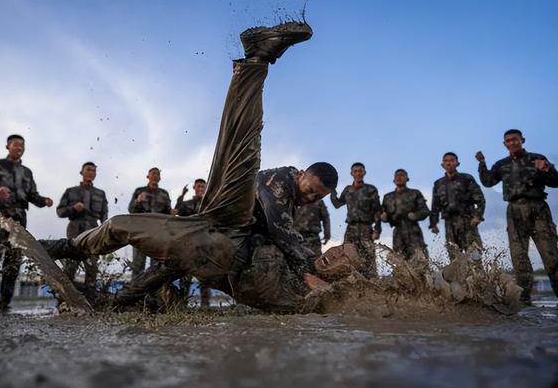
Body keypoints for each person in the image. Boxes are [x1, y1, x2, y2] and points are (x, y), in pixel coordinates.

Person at [39, 21, 339, 313]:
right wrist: (306, 271)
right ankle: (257, 59)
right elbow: (280, 226)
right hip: (228, 220)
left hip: (211, 240)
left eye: (317, 198)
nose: (311, 199)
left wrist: (120, 302)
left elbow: (171, 268)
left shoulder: (292, 209)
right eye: (311, 190)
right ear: (301, 174)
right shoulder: (280, 181)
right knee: (243, 150)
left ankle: (108, 295)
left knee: (121, 225)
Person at [0, 134, 53, 313]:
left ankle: (5, 303)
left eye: (22, 145)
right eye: (15, 144)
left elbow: (32, 196)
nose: (19, 147)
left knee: (13, 262)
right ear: (7, 146)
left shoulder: (27, 172)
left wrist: (44, 201)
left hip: (19, 220)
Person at [476, 129, 558, 304]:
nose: (512, 143)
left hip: (538, 209)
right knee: (519, 258)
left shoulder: (537, 158)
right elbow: (488, 181)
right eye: (508, 140)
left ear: (522, 140)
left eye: (515, 139)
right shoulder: (502, 164)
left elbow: (556, 182)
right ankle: (524, 302)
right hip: (514, 211)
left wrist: (547, 169)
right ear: (504, 144)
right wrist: (482, 163)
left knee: (551, 257)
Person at [56, 162, 108, 300]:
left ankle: (90, 299)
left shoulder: (100, 194)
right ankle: (64, 298)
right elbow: (60, 211)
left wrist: (105, 234)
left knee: (92, 264)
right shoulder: (71, 191)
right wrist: (73, 208)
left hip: (93, 228)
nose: (91, 172)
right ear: (82, 172)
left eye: (94, 171)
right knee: (71, 263)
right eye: (88, 170)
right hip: (75, 227)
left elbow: (105, 217)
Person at [430, 152, 485, 261]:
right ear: (442, 165)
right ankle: (460, 278)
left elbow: (480, 198)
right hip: (449, 224)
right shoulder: (438, 184)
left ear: (457, 163)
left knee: (475, 257)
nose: (448, 163)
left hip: (468, 221)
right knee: (455, 260)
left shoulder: (466, 179)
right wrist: (433, 223)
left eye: (451, 160)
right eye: (446, 161)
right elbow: (435, 206)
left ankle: (479, 278)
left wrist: (478, 216)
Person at [330, 162, 381, 277]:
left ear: (364, 173)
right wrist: (332, 191)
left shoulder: (371, 189)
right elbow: (337, 204)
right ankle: (349, 280)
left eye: (360, 171)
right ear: (351, 173)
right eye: (355, 171)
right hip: (351, 228)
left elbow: (377, 210)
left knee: (368, 256)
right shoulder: (348, 190)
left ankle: (372, 281)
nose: (358, 173)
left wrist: (377, 229)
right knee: (347, 254)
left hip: (366, 228)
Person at [128, 167, 172, 278]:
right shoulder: (139, 191)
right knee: (138, 265)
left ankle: (154, 294)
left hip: (158, 233)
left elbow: (168, 215)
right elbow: (131, 210)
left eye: (157, 174)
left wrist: (172, 213)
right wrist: (138, 201)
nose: (155, 176)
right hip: (140, 232)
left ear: (160, 177)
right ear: (148, 176)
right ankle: (135, 293)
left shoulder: (164, 194)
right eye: (153, 173)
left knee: (157, 265)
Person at [175, 178, 211, 306]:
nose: (201, 189)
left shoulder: (210, 204)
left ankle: (205, 304)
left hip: (205, 243)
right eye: (199, 186)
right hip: (189, 243)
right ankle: (182, 303)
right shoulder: (187, 204)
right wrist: (182, 195)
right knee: (185, 273)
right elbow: (175, 213)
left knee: (205, 275)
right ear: (195, 188)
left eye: (203, 186)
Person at [381, 169, 430, 260]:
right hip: (397, 232)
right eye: (397, 176)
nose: (399, 177)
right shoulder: (388, 197)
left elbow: (425, 211)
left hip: (413, 231)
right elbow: (382, 213)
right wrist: (384, 217)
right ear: (394, 180)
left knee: (419, 258)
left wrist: (415, 215)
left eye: (402, 175)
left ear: (407, 179)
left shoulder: (415, 193)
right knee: (399, 260)